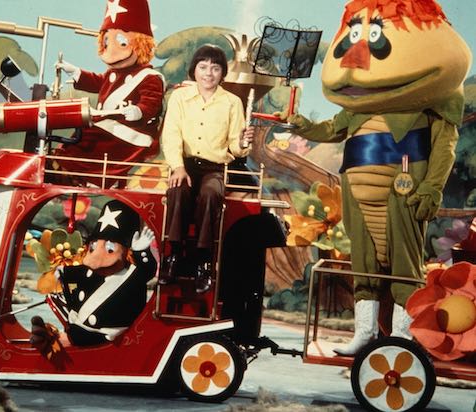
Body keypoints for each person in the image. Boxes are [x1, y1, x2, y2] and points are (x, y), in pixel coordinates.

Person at [280, 0, 471, 356]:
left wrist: (431, 188)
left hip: (403, 193)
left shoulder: (430, 105)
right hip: (357, 196)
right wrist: (302, 125)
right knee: (364, 263)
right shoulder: (356, 108)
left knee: (404, 264)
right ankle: (365, 333)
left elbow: (444, 149)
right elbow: (330, 129)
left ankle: (401, 336)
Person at [159, 44, 254, 293]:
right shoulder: (179, 97)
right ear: (194, 70)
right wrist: (178, 167)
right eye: (203, 67)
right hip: (185, 164)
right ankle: (173, 256)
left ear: (222, 73)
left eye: (215, 68)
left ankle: (204, 261)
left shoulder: (233, 102)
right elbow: (171, 135)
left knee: (211, 193)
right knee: (177, 191)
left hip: (215, 168)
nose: (208, 73)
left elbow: (235, 147)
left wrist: (243, 142)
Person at [53, 0, 164, 187]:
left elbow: (151, 103)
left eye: (122, 42)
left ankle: (91, 177)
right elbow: (99, 82)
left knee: (90, 137)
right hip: (109, 128)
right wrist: (77, 72)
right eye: (106, 42)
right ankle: (68, 171)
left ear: (141, 43)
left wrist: (139, 110)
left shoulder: (150, 77)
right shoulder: (113, 73)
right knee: (80, 135)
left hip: (131, 134)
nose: (110, 51)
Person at [30, 199, 157, 355]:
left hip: (105, 333)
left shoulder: (130, 275)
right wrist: (64, 271)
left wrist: (141, 251)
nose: (96, 255)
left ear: (125, 250)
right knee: (73, 331)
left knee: (77, 337)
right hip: (79, 326)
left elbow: (146, 272)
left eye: (110, 248)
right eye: (94, 246)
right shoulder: (92, 271)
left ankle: (52, 339)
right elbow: (81, 272)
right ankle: (49, 338)